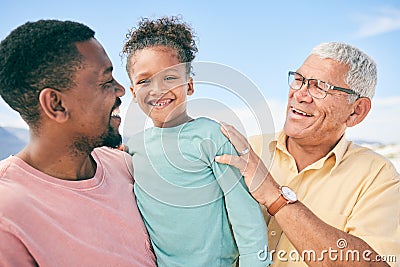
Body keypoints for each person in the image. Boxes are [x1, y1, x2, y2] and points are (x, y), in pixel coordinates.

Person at [215, 42, 400, 266]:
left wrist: (275, 196)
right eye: (299, 80)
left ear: (356, 111)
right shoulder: (242, 151)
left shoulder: (378, 177)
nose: (300, 94)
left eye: (320, 87)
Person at [0, 19, 156, 266]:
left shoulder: (127, 167)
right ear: (56, 104)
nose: (121, 90)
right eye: (106, 82)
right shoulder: (7, 215)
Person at [122, 16, 271, 267]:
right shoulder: (134, 148)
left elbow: (244, 213)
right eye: (144, 80)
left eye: (169, 77)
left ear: (189, 85)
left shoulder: (212, 136)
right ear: (134, 92)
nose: (157, 89)